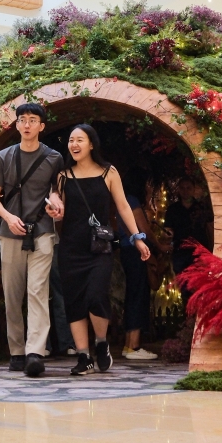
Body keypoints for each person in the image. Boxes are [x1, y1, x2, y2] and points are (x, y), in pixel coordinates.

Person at [50, 124, 150, 376]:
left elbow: (123, 207)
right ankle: (84, 357)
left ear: (92, 144)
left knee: (96, 296)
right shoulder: (63, 176)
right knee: (74, 302)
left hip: (99, 247)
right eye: (71, 140)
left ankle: (102, 343)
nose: (74, 145)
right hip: (70, 248)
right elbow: (59, 210)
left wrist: (137, 238)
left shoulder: (109, 172)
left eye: (80, 140)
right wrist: (54, 211)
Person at [0, 103, 65, 378]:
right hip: (10, 232)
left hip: (42, 231)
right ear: (17, 124)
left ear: (42, 126)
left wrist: (55, 203)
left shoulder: (54, 157)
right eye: (22, 120)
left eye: (33, 120)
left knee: (38, 291)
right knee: (12, 293)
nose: (27, 124)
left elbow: (56, 191)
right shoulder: (2, 157)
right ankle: (17, 351)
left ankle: (35, 352)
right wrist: (8, 218)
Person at [119, 181, 158, 360]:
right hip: (136, 251)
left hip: (126, 251)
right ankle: (134, 345)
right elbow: (144, 229)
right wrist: (160, 246)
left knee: (132, 293)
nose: (149, 187)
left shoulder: (121, 198)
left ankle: (128, 344)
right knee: (139, 294)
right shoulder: (132, 201)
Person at [164, 180, 212, 285]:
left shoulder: (202, 208)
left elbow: (209, 229)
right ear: (178, 190)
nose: (185, 191)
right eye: (182, 188)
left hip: (200, 252)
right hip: (180, 252)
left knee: (200, 284)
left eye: (188, 188)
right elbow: (168, 229)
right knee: (184, 285)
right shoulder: (172, 209)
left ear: (194, 189)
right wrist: (168, 235)